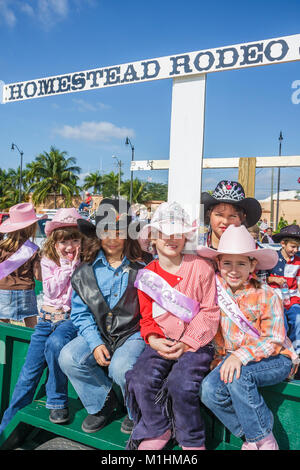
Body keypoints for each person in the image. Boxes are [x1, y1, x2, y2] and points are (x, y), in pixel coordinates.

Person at [125, 202, 220, 450]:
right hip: (162, 340)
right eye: (164, 233)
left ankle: (191, 440)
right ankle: (158, 428)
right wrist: (153, 338)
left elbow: (210, 311)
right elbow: (146, 317)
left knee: (182, 384)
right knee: (139, 378)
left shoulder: (201, 267)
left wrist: (188, 342)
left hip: (197, 342)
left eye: (178, 233)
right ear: (153, 238)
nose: (172, 238)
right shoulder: (147, 275)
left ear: (186, 236)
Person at [198, 225, 298, 450]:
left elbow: (273, 339)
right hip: (232, 359)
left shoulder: (267, 294)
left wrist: (240, 357)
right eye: (227, 263)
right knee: (209, 390)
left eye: (241, 263)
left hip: (275, 358)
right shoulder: (215, 290)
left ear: (253, 265)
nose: (233, 270)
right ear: (218, 264)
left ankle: (265, 441)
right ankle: (252, 437)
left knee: (238, 377)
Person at [58, 198, 147, 435]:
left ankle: (135, 410)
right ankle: (103, 402)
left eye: (119, 231)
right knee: (68, 356)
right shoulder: (84, 269)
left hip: (133, 332)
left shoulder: (144, 266)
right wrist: (95, 343)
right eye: (106, 231)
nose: (112, 237)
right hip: (100, 331)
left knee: (121, 368)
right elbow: (80, 313)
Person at [0, 208, 83, 433]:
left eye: (74, 239)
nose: (69, 246)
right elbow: (51, 289)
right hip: (45, 318)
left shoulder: (84, 263)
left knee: (55, 344)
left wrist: (72, 266)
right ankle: (6, 425)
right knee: (28, 374)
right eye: (63, 241)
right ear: (54, 242)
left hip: (69, 319)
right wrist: (67, 267)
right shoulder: (47, 259)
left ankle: (57, 401)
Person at [0, 203, 44, 328]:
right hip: (26, 291)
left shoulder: (2, 247)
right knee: (31, 325)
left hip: (3, 290)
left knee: (3, 326)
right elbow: (38, 276)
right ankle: (32, 346)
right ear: (31, 228)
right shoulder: (33, 250)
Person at [267, 224, 300, 364]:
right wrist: (273, 279)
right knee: (282, 325)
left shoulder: (298, 261)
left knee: (298, 319)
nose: (296, 250)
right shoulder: (272, 258)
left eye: (297, 247)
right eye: (293, 246)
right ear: (282, 244)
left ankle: (296, 353)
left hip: (292, 299)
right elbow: (261, 279)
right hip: (275, 299)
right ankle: (279, 354)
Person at [199, 180, 262, 249]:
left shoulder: (253, 251)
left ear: (243, 218)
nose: (225, 221)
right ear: (209, 214)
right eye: (219, 215)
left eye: (232, 216)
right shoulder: (195, 248)